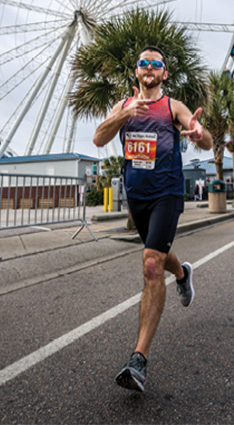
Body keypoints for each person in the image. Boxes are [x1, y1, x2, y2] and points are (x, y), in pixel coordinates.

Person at [93, 45, 212, 393]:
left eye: (155, 64)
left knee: (150, 263)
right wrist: (124, 115)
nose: (149, 68)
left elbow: (205, 139)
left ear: (164, 73)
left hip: (167, 193)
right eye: (143, 63)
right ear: (136, 71)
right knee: (156, 254)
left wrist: (197, 133)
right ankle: (182, 273)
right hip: (137, 196)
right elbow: (99, 138)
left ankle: (138, 360)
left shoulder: (173, 106)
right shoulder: (123, 105)